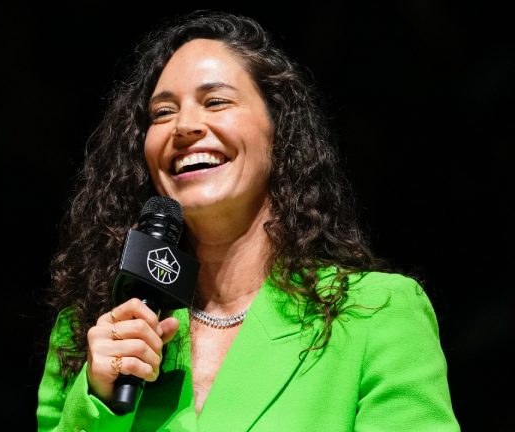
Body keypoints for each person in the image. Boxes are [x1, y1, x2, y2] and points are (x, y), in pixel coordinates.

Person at [35, 10, 459, 431]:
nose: (184, 126)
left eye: (216, 101)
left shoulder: (375, 314)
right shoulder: (91, 330)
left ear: (280, 131)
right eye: (162, 113)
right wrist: (99, 401)